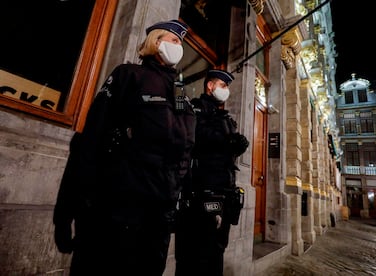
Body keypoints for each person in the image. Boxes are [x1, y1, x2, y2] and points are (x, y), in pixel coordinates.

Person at [53, 19, 195, 276]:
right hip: (119, 212)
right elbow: (89, 143)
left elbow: (186, 147)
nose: (179, 46)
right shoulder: (128, 75)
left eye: (180, 42)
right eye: (174, 40)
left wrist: (177, 191)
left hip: (158, 218)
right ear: (156, 41)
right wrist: (65, 214)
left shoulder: (181, 93)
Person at [175, 69, 249, 276]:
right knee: (194, 255)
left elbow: (226, 152)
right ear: (210, 86)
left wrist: (238, 145)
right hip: (201, 193)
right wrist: (226, 140)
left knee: (216, 252)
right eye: (223, 86)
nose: (226, 91)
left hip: (224, 193)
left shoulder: (225, 118)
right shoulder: (194, 109)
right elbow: (193, 137)